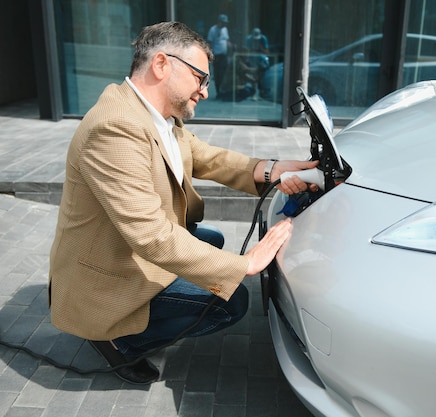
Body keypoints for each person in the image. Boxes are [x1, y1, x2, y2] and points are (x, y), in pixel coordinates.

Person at [48, 21, 318, 385]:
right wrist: (246, 264)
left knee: (211, 241)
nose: (204, 92)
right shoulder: (115, 128)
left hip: (126, 249)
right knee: (231, 301)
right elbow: (150, 236)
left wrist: (272, 170)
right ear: (162, 64)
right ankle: (117, 338)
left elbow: (203, 155)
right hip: (105, 279)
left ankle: (156, 307)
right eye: (200, 78)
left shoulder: (154, 114)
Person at [206, 14, 231, 99]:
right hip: (216, 55)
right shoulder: (213, 30)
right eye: (223, 22)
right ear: (219, 22)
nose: (224, 24)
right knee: (217, 74)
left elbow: (226, 40)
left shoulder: (225, 29)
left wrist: (230, 46)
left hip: (224, 54)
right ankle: (218, 91)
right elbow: (209, 42)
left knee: (224, 74)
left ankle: (223, 91)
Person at [245, 28, 270, 100]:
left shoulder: (263, 39)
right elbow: (246, 50)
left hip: (261, 60)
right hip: (252, 59)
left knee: (261, 75)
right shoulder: (249, 39)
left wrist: (261, 48)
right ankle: (253, 92)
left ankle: (261, 91)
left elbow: (267, 51)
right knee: (253, 76)